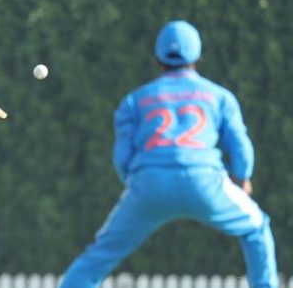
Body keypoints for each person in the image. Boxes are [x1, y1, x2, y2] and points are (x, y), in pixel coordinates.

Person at [59, 20, 279, 288]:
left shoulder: (134, 100)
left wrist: (136, 185)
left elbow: (122, 158)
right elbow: (241, 148)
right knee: (257, 228)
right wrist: (242, 178)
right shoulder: (220, 97)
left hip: (148, 184)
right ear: (198, 57)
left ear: (157, 59)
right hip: (205, 182)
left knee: (100, 254)